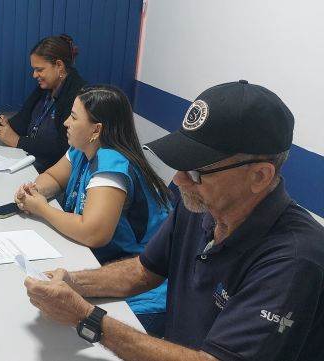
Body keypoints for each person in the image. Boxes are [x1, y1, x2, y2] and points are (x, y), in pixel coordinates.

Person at [24, 81, 324, 360]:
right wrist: (74, 282)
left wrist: (84, 316)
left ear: (259, 176)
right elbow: (143, 271)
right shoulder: (200, 205)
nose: (179, 180)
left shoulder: (295, 259)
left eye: (196, 171)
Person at [14, 85, 172, 335]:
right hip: (102, 267)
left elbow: (93, 233)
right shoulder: (81, 148)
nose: (66, 122)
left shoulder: (112, 164)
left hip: (141, 290)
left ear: (96, 130)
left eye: (74, 118)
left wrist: (42, 209)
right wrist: (35, 190)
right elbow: (53, 177)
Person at [0, 34, 86, 173]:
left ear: (59, 65)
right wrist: (6, 125)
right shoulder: (46, 88)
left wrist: (18, 141)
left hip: (52, 172)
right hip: (30, 161)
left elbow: (63, 147)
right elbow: (24, 119)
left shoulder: (77, 96)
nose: (34, 75)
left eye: (39, 70)